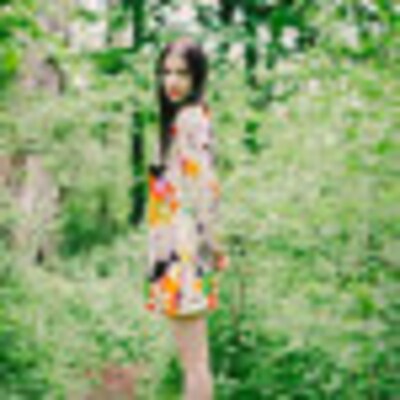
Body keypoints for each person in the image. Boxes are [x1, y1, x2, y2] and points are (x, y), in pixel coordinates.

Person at [143, 37, 229, 400]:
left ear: (197, 78)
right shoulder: (183, 120)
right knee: (192, 361)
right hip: (177, 251)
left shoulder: (191, 119)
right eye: (167, 72)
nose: (173, 82)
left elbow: (204, 188)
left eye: (182, 73)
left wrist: (214, 242)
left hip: (185, 252)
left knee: (195, 363)